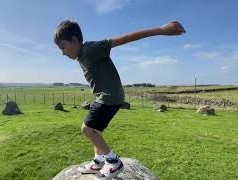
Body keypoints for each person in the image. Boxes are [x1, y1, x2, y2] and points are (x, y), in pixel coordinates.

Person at [54, 20, 186, 178]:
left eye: (63, 47)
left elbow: (125, 38)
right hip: (106, 97)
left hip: (109, 97)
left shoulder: (92, 49)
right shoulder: (82, 55)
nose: (62, 52)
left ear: (74, 41)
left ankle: (114, 162)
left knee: (87, 129)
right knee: (95, 130)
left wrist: (161, 30)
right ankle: (98, 163)